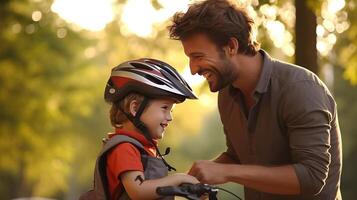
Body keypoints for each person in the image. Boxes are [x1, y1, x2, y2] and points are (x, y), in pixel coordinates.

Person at [168, 0, 342, 199]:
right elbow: (238, 156)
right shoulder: (227, 94)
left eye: (198, 56)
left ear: (231, 46)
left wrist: (226, 172)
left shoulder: (300, 88)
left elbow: (311, 177)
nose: (192, 69)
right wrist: (201, 175)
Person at [101, 58, 199, 200]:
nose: (170, 117)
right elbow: (138, 191)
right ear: (135, 108)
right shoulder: (124, 148)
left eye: (171, 110)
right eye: (165, 108)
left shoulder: (143, 148)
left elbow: (154, 187)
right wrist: (177, 179)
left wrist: (186, 188)